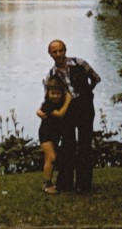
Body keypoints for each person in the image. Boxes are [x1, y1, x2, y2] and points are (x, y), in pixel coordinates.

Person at [39, 39, 101, 193]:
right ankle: (65, 183)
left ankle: (83, 184)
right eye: (55, 52)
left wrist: (87, 93)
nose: (58, 54)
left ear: (65, 50)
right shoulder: (50, 77)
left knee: (85, 144)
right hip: (67, 111)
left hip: (85, 107)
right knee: (68, 145)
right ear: (50, 54)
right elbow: (48, 99)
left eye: (61, 50)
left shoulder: (80, 63)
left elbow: (96, 78)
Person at [36, 77, 72, 195]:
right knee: (51, 157)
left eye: (58, 93)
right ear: (47, 93)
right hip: (46, 134)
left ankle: (48, 182)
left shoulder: (59, 103)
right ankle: (47, 184)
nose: (55, 96)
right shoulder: (48, 104)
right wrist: (68, 100)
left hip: (55, 135)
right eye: (52, 93)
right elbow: (60, 114)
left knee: (49, 160)